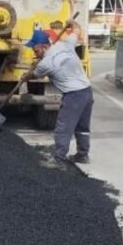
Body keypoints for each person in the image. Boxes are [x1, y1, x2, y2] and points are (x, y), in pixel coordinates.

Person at [29, 22, 93, 164]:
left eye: (35, 50)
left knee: (63, 127)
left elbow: (33, 76)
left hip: (73, 95)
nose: (34, 53)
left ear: (44, 46)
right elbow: (77, 29)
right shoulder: (65, 44)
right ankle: (83, 155)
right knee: (82, 126)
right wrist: (72, 22)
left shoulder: (45, 64)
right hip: (87, 92)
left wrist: (26, 75)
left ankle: (58, 159)